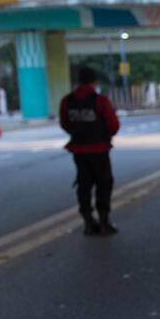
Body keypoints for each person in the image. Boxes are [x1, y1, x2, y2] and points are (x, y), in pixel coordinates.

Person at [60, 67, 121, 235]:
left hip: (78, 150)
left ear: (78, 81)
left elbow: (64, 123)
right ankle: (103, 221)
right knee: (104, 183)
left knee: (84, 184)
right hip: (99, 149)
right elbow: (113, 125)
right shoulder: (100, 101)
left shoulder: (67, 101)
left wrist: (78, 133)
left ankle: (88, 221)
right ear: (94, 82)